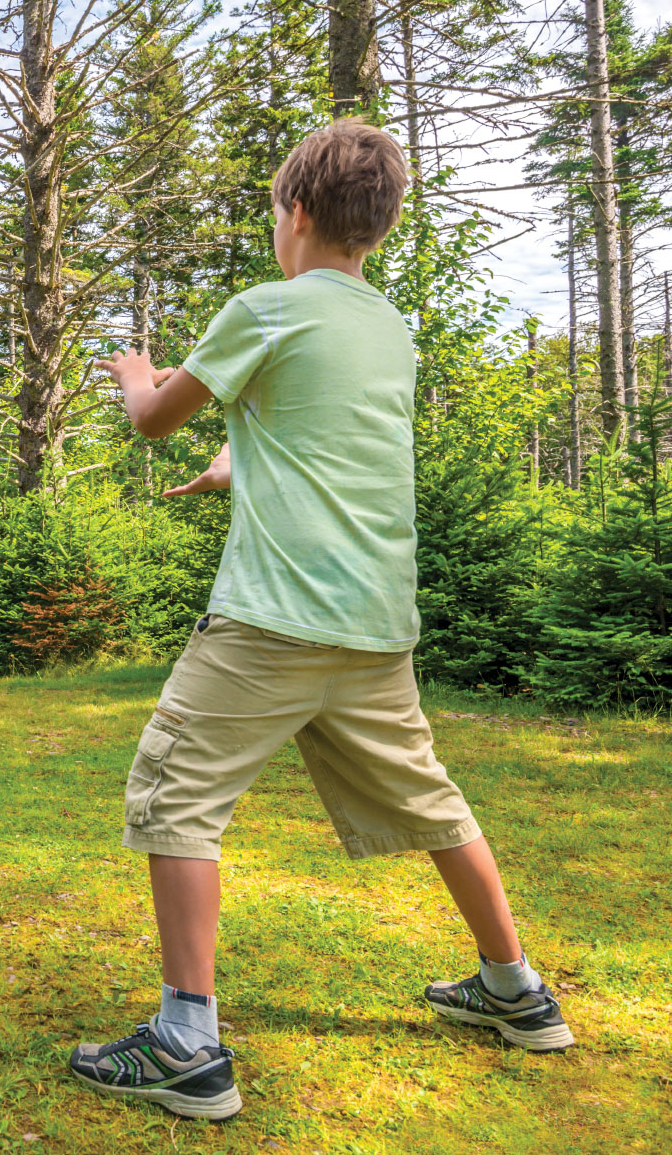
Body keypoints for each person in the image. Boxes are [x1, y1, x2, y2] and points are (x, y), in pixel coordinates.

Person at [67, 118, 573, 1122]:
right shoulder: (386, 327)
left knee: (174, 793)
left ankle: (184, 1040)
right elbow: (321, 440)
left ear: (292, 211)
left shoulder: (266, 306)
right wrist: (235, 466)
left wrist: (134, 371)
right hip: (374, 625)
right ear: (373, 230)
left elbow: (155, 415)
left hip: (272, 622)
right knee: (433, 801)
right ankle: (518, 992)